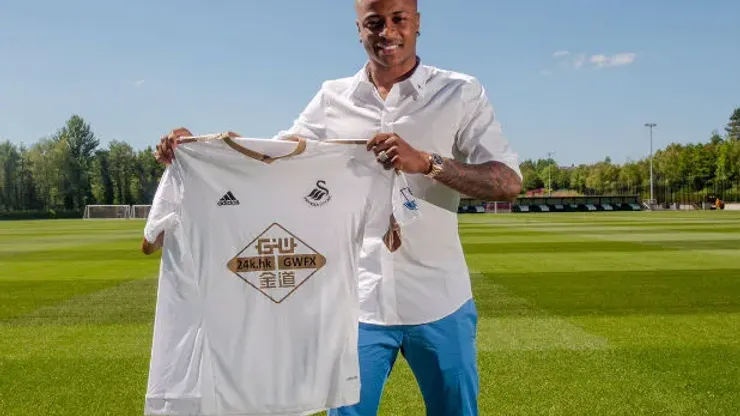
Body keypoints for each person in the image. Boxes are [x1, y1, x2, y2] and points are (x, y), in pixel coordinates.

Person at [154, 1, 523, 414]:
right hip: (357, 305)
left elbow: (508, 182)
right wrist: (201, 149)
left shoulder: (459, 91)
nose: (387, 32)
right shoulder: (333, 97)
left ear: (417, 22)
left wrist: (427, 162)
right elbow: (273, 160)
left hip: (441, 299)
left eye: (398, 19)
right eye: (374, 23)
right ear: (359, 29)